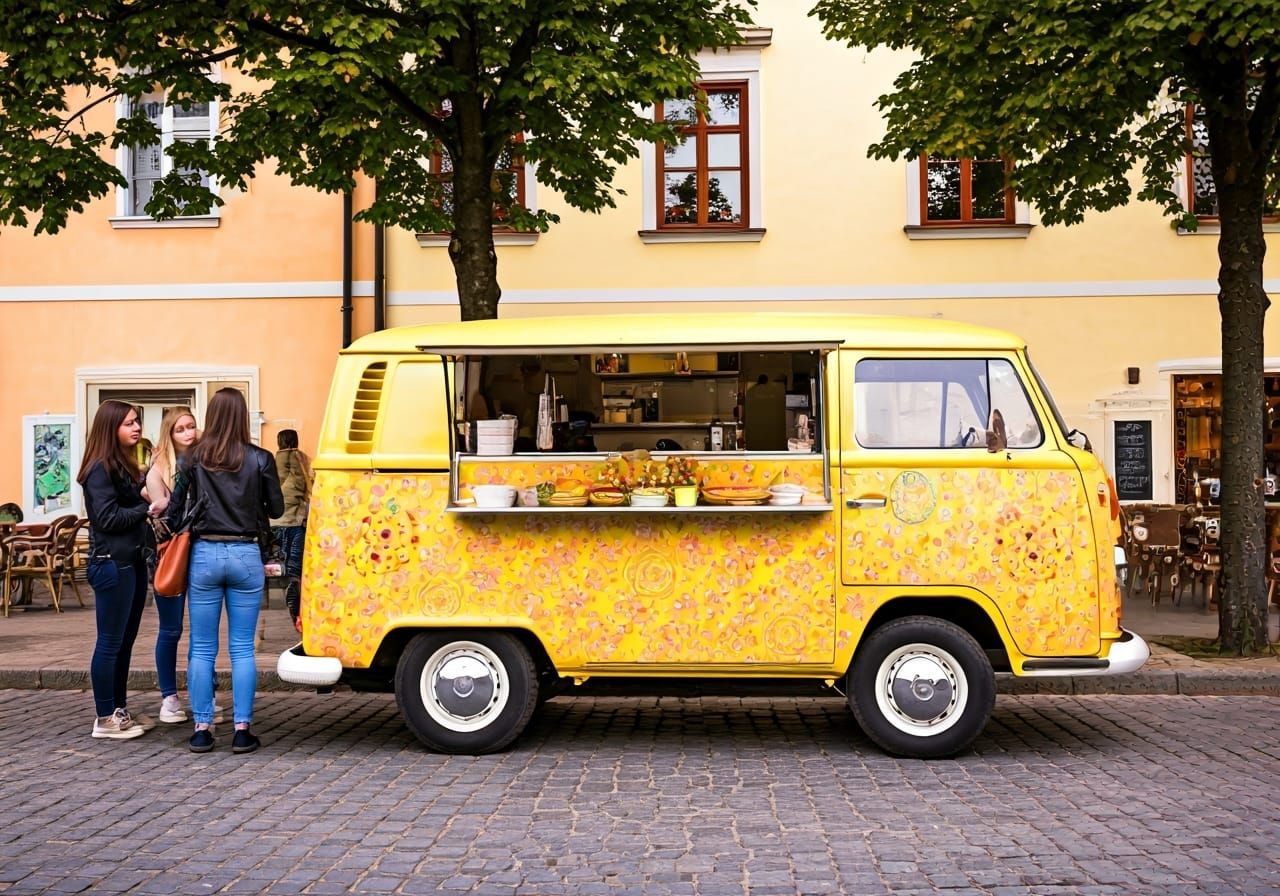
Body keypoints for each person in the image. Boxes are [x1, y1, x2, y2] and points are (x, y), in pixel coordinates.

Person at [167, 388, 283, 754]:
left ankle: (202, 728)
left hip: (204, 554)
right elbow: (277, 509)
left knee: (202, 648)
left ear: (212, 416)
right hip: (247, 555)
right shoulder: (260, 458)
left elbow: (173, 514)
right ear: (243, 416)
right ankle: (242, 730)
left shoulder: (192, 459)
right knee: (242, 649)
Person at [79, 400, 156, 740]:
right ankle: (104, 717)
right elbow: (107, 519)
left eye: (137, 421)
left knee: (124, 642)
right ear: (110, 428)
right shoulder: (99, 469)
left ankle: (118, 710)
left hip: (131, 561)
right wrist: (145, 508)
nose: (136, 427)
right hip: (110, 564)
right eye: (128, 423)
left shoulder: (121, 466)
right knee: (110, 642)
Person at [142, 406, 202, 724]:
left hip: (204, 553)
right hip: (172, 555)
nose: (188, 433)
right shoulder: (158, 472)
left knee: (203, 633)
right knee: (171, 628)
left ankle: (203, 692)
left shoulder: (206, 462)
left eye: (191, 426)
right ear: (169, 434)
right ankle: (169, 697)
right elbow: (166, 525)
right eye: (180, 429)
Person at [270, 429, 313, 632]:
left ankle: (278, 605)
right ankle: (295, 616)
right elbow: (308, 489)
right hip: (295, 524)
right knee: (295, 574)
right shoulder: (302, 462)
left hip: (273, 524)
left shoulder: (271, 463)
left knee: (276, 572)